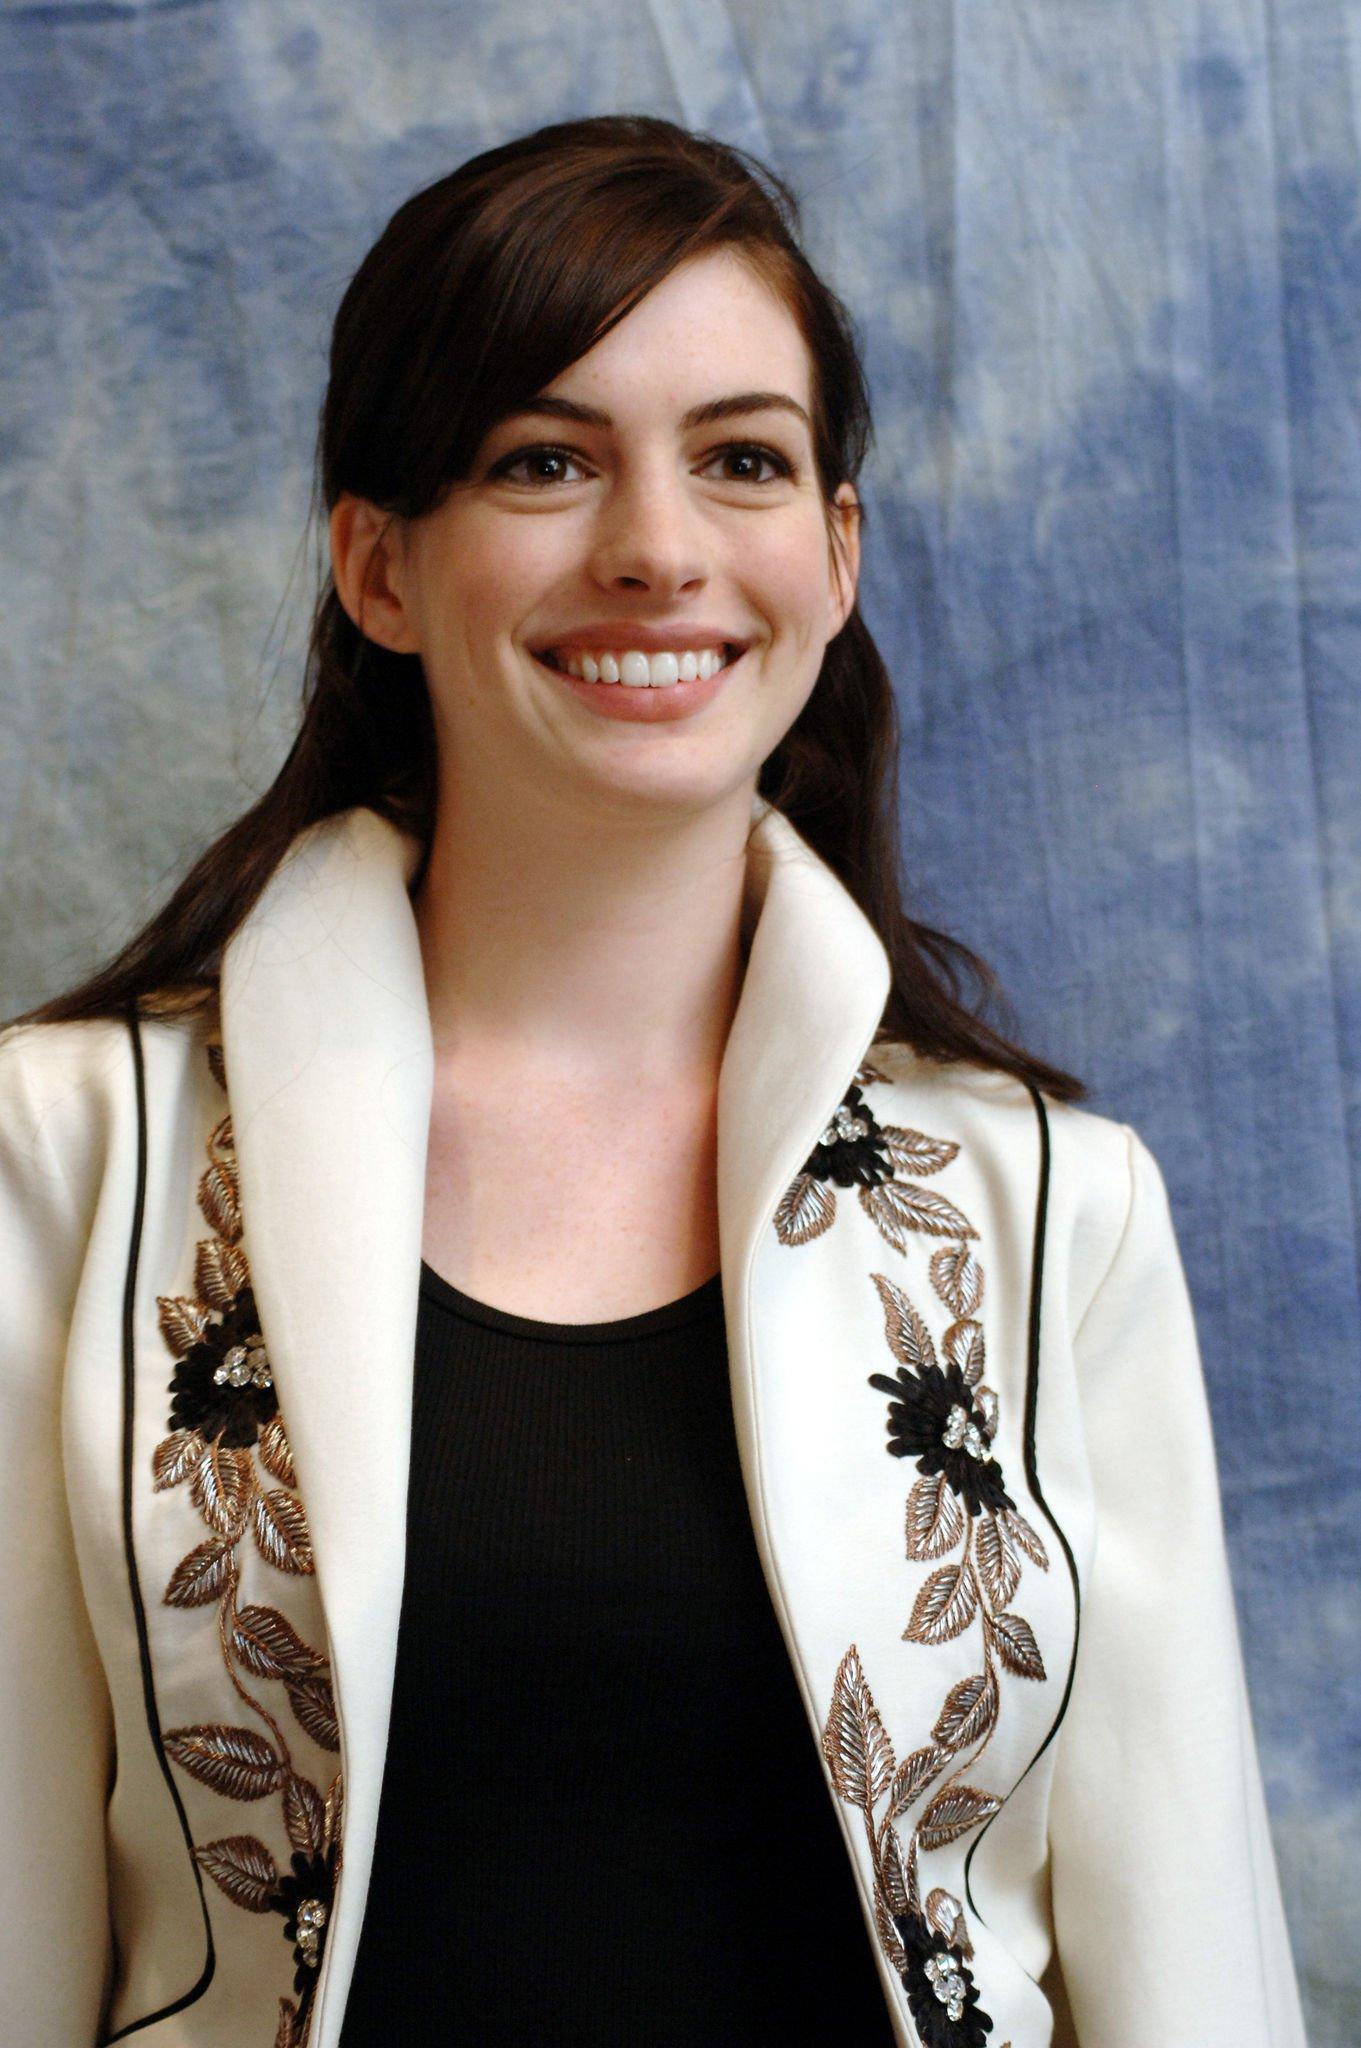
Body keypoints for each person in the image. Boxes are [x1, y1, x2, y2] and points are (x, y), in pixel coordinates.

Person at [0, 114, 1305, 2048]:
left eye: (743, 460)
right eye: (545, 459)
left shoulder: (1054, 1210)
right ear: (378, 564)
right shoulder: (71, 1159)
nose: (658, 550)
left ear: (837, 558)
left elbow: (1191, 1968)